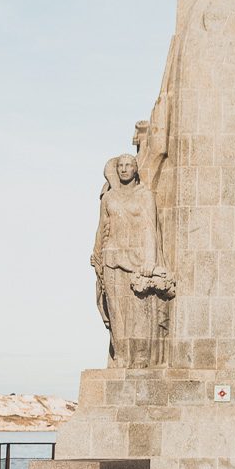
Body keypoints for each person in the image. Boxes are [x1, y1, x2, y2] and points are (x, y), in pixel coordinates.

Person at [91, 154, 174, 367]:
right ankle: (120, 356)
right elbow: (102, 228)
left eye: (128, 165)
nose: (124, 169)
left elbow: (150, 228)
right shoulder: (110, 197)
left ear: (135, 169)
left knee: (139, 311)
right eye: (120, 166)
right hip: (111, 257)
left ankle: (140, 356)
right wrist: (97, 254)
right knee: (116, 310)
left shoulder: (145, 195)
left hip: (137, 259)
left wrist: (150, 260)